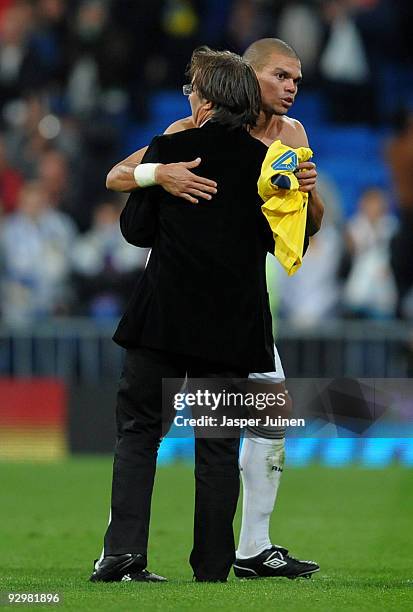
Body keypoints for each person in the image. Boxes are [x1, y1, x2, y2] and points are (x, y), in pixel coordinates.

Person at [105, 38, 323, 580]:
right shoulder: (254, 151)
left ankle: (242, 546)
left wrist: (308, 193)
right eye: (281, 76)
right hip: (233, 320)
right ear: (249, 81)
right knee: (220, 443)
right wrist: (161, 172)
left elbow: (133, 223)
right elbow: (289, 239)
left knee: (148, 430)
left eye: (297, 78)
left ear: (206, 95)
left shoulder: (271, 139)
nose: (291, 87)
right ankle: (218, 565)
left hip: (167, 314)